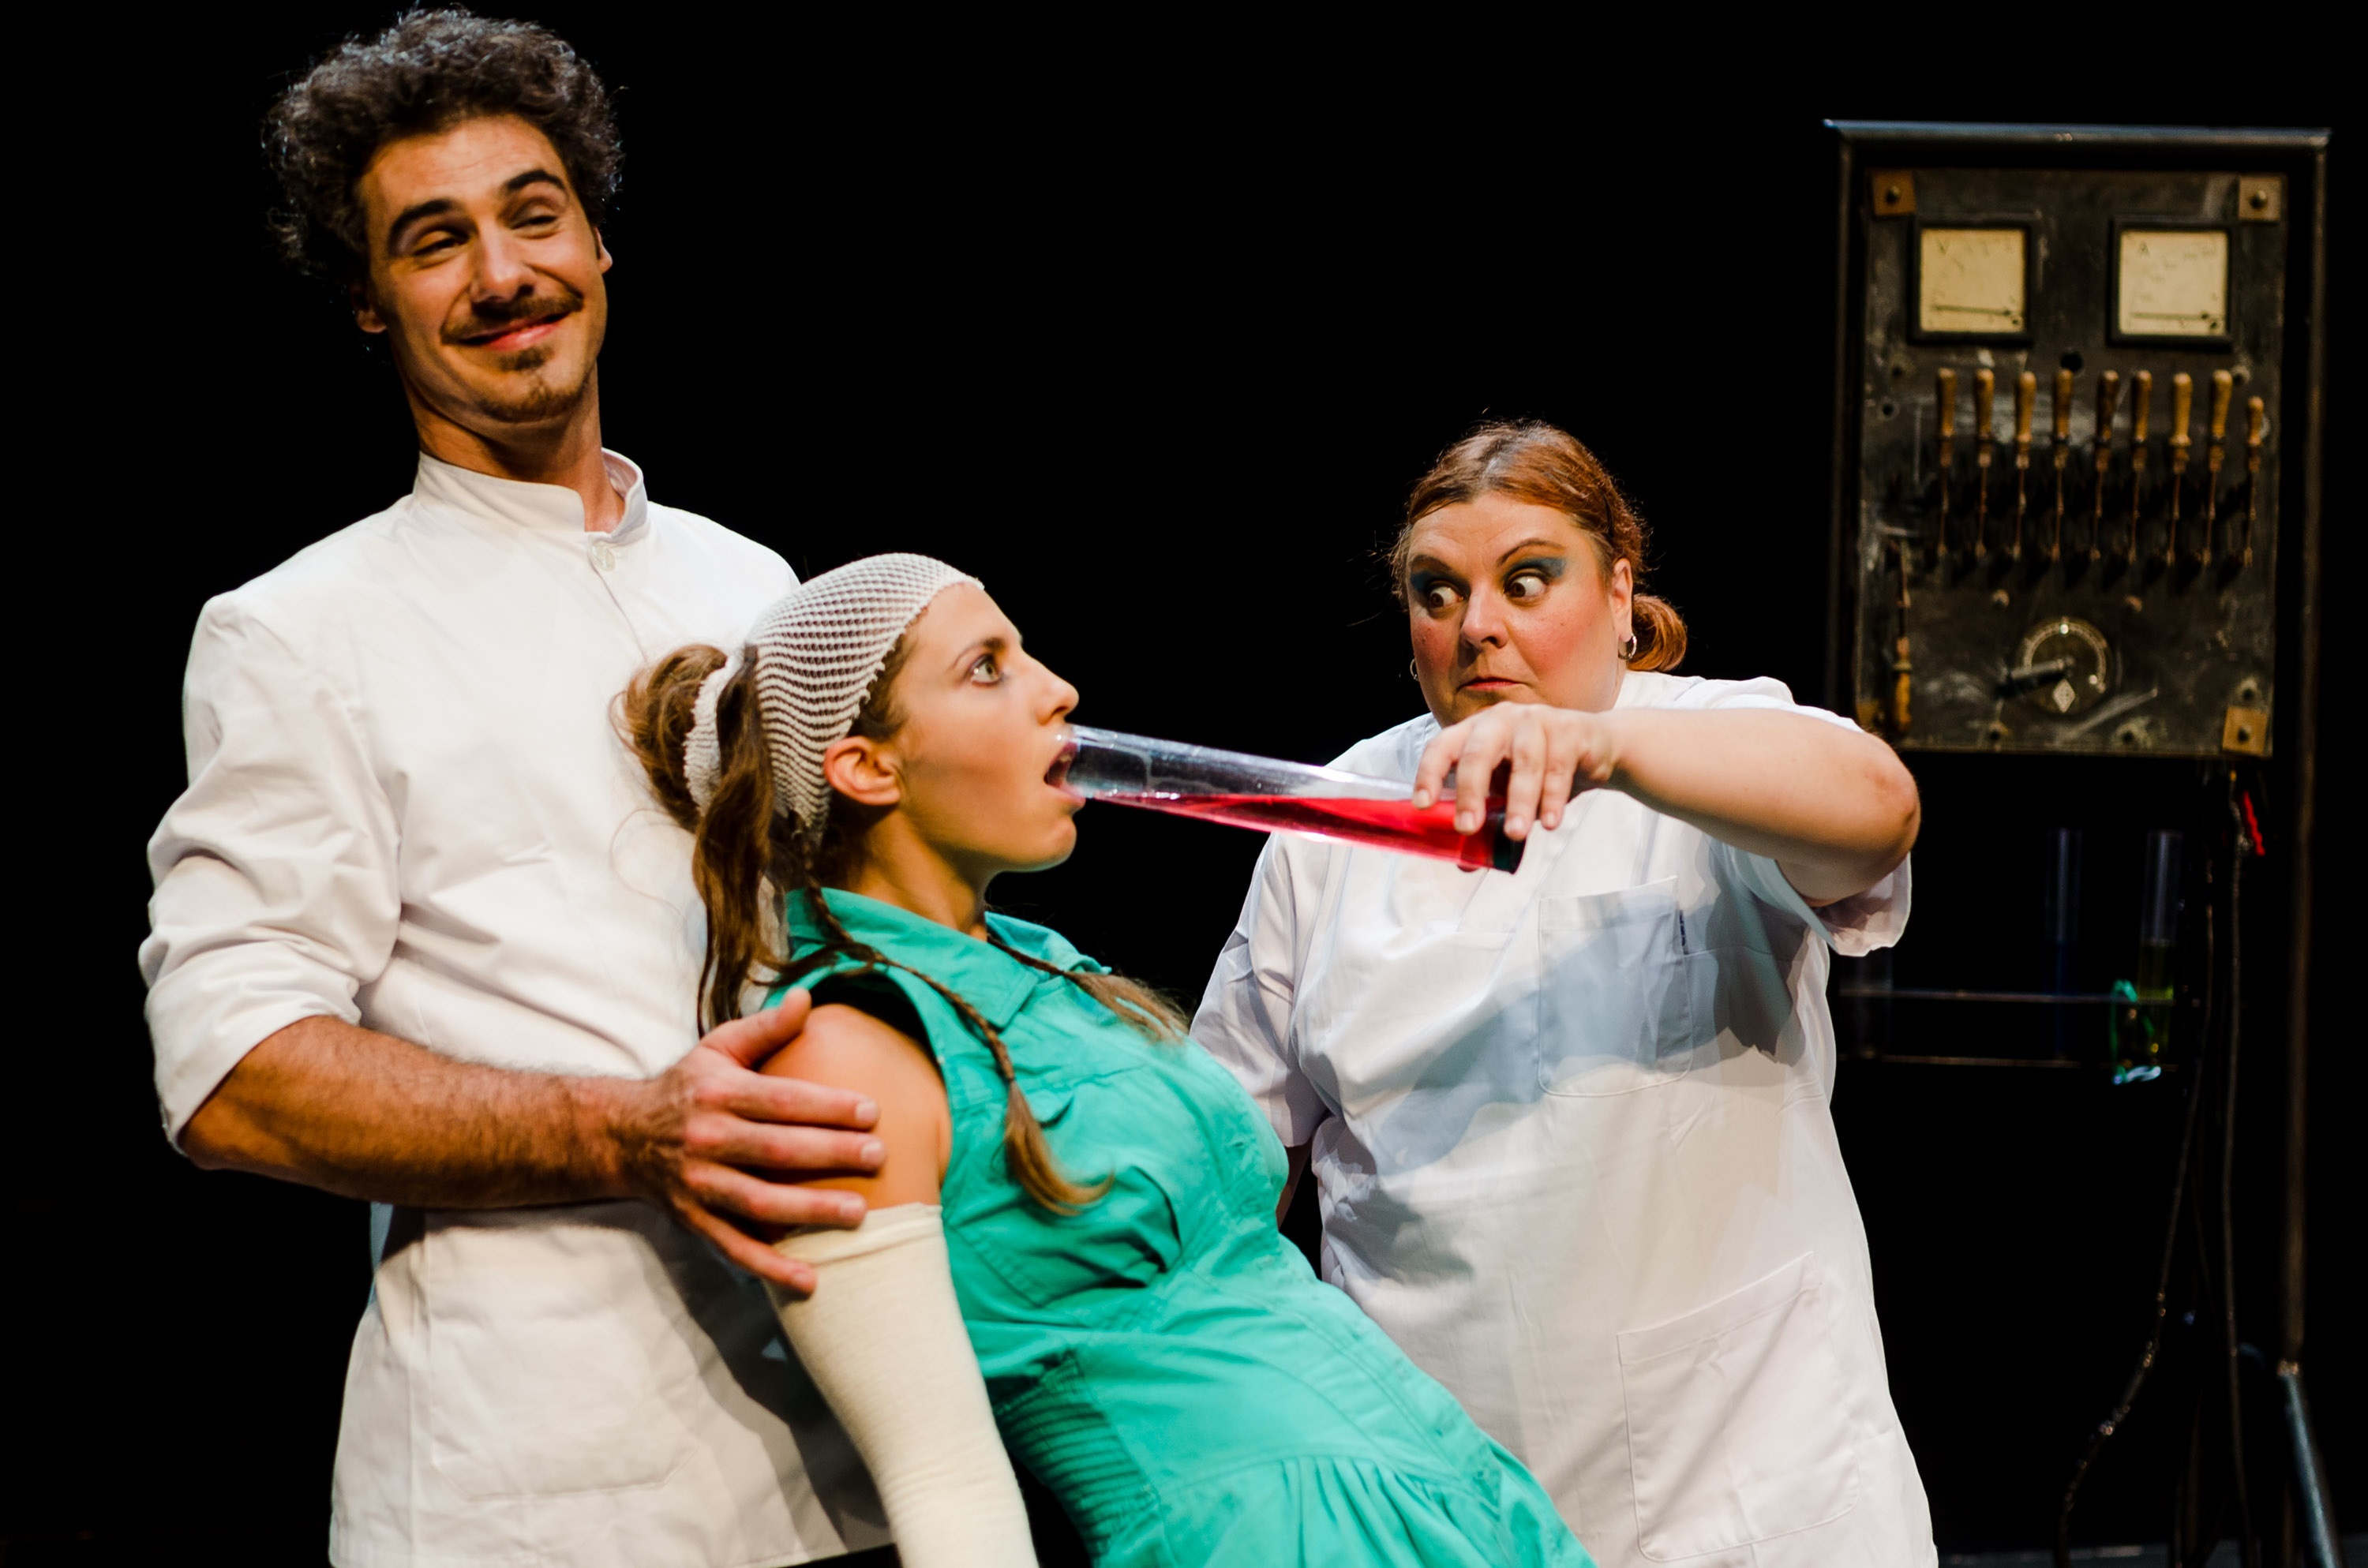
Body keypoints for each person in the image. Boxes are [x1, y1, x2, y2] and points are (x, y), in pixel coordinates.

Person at [140, 14, 892, 1564]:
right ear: (369, 301)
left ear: (599, 243)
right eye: (434, 242)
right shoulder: (297, 628)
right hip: (538, 1493)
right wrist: (630, 1132)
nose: (501, 275)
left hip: (843, 1448)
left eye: (533, 216)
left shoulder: (753, 583)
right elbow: (233, 1073)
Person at [620, 552, 1597, 1568]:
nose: (1058, 689)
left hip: (1455, 1506)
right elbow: (947, 1489)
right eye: (987, 669)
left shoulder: (1048, 970)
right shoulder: (845, 1048)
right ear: (869, 767)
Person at [1191, 420, 1936, 1567]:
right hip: (1437, 1501)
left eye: (1527, 579)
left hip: (1746, 1500)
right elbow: (1224, 1164)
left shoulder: (1712, 747)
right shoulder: (1336, 816)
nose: (1477, 624)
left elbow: (1878, 808)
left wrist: (1608, 749)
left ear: (1621, 591)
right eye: (1437, 591)